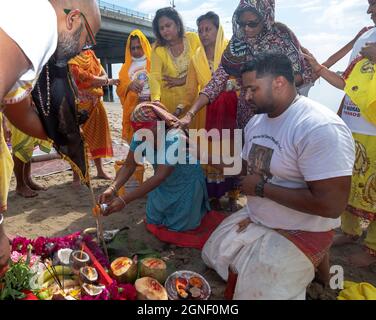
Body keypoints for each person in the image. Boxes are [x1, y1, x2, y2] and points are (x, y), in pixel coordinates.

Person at [201, 53, 355, 300]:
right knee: (211, 254)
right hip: (258, 217)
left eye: (252, 89)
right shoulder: (258, 120)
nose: (246, 97)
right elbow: (245, 167)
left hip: (300, 227)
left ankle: (316, 265)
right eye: (244, 89)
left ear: (279, 83)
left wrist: (261, 189)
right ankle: (310, 269)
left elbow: (332, 205)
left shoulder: (319, 127)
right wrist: (202, 155)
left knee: (257, 293)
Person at [0, 0, 101, 275]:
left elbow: (19, 112)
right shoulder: (38, 22)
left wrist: (66, 133)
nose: (82, 49)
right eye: (87, 39)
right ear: (73, 20)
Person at [302, 0, 376, 267]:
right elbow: (347, 82)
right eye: (369, 4)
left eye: (374, 4)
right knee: (349, 178)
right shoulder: (366, 37)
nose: (369, 11)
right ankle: (351, 230)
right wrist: (319, 69)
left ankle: (372, 247)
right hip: (353, 123)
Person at [175, 0, 313, 131]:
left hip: (281, 114)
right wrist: (190, 114)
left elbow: (302, 75)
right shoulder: (238, 43)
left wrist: (267, 88)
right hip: (248, 117)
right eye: (241, 23)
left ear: (266, 17)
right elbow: (216, 81)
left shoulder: (282, 37)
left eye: (252, 23)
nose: (246, 28)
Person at [99, 102, 210, 232]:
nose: (144, 137)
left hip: (185, 182)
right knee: (154, 220)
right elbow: (129, 165)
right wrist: (112, 188)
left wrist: (124, 200)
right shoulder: (140, 136)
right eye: (140, 132)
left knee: (179, 227)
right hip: (163, 185)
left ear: (160, 125)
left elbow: (159, 177)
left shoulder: (175, 138)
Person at [182, 11, 238, 211]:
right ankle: (214, 196)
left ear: (218, 29)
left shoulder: (231, 51)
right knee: (210, 153)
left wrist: (231, 88)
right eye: (200, 30)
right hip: (206, 112)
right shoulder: (195, 58)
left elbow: (242, 78)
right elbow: (190, 90)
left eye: (208, 29)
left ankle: (233, 195)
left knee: (231, 150)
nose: (204, 33)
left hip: (231, 111)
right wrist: (182, 108)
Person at [69, 49, 119, 182]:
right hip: (78, 107)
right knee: (77, 141)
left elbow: (102, 74)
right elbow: (83, 78)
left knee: (98, 137)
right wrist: (106, 81)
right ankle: (77, 175)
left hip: (96, 103)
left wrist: (103, 80)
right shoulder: (70, 59)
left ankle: (100, 171)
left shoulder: (90, 54)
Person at [149, 7, 200, 114]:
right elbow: (155, 76)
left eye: (168, 25)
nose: (165, 31)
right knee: (167, 130)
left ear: (177, 24)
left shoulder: (193, 39)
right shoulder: (158, 49)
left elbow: (202, 66)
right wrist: (156, 100)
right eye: (161, 28)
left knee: (195, 131)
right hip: (167, 105)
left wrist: (182, 80)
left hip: (194, 102)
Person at [117, 30, 152, 144]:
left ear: (144, 45)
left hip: (152, 109)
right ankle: (137, 161)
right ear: (129, 49)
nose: (136, 51)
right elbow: (119, 89)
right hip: (132, 110)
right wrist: (129, 85)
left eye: (139, 46)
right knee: (135, 143)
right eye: (133, 48)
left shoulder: (154, 62)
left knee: (153, 142)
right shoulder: (125, 67)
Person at [10, 122, 51, 198]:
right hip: (14, 113)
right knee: (21, 146)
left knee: (29, 144)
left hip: (27, 112)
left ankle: (28, 180)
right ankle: (20, 185)